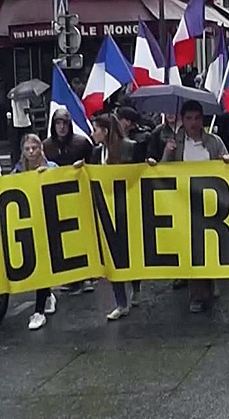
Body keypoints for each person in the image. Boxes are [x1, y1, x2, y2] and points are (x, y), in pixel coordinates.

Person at [152, 100, 229, 312]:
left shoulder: (214, 141)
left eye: (197, 118)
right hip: (185, 203)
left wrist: (228, 161)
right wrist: (167, 153)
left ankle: (209, 281)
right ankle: (197, 295)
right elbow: (162, 171)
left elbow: (227, 165)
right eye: (189, 118)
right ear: (183, 119)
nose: (193, 123)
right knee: (193, 249)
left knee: (210, 247)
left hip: (211, 203)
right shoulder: (175, 143)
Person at [83, 114, 143, 319]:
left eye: (95, 130)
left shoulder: (130, 148)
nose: (93, 133)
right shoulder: (96, 152)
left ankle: (136, 287)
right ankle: (121, 302)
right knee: (112, 255)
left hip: (128, 207)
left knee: (131, 252)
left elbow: (139, 174)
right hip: (105, 209)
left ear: (106, 131)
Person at [43, 108, 96, 295]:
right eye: (58, 123)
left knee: (83, 235)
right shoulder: (46, 146)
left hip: (80, 195)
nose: (61, 127)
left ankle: (88, 276)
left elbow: (94, 167)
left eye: (64, 123)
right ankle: (71, 276)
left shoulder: (82, 143)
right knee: (64, 236)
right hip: (57, 197)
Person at [13, 134, 59, 331]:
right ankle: (47, 295)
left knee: (43, 265)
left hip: (48, 224)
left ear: (41, 149)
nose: (31, 152)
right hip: (28, 226)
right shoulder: (17, 172)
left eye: (34, 148)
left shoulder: (52, 167)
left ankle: (39, 310)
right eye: (27, 149)